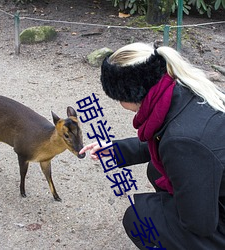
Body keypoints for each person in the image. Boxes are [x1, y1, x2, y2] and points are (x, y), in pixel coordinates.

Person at [79, 42, 225, 249]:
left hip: (215, 221)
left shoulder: (182, 142)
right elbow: (166, 139)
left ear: (129, 93)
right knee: (157, 170)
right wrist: (117, 150)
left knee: (139, 217)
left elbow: (200, 224)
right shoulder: (185, 89)